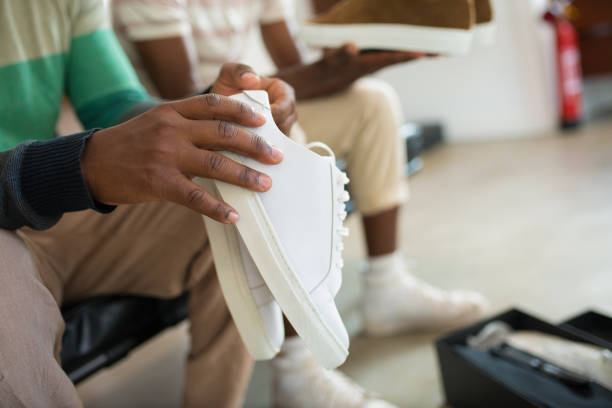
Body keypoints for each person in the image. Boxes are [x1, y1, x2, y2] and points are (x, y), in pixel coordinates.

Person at [113, 0, 489, 406]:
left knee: (372, 101)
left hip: (254, 109)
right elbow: (185, 103)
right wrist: (302, 88)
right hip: (191, 135)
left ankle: (387, 285)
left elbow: (295, 72)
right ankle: (297, 370)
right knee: (279, 140)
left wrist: (353, 66)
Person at [0, 0, 297, 406]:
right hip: (21, 212)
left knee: (236, 200)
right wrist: (76, 166)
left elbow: (114, 103)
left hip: (50, 209)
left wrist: (208, 112)